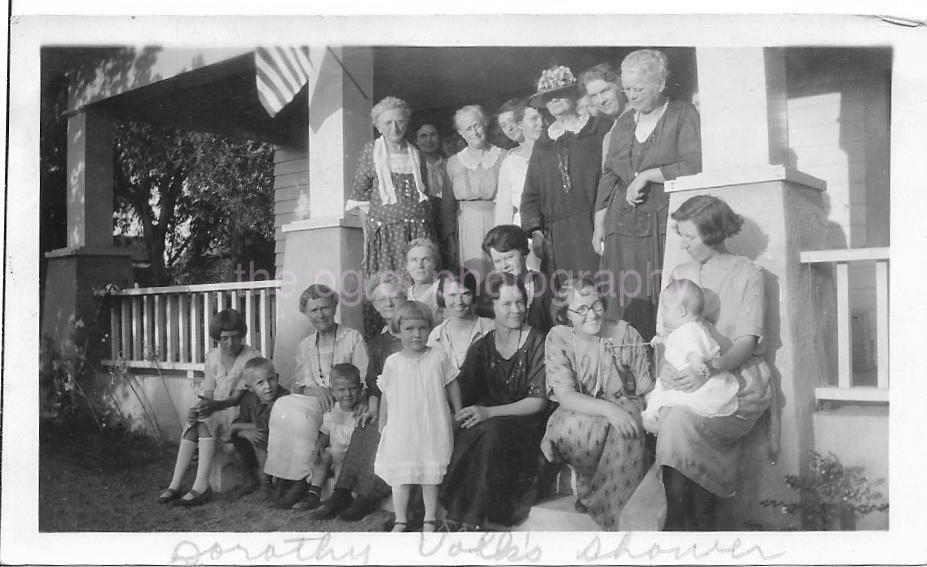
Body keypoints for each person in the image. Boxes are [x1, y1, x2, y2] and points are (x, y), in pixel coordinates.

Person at [656, 195, 773, 531]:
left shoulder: (747, 273)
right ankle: (689, 525)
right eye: (680, 235)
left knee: (678, 422)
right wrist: (667, 366)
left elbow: (747, 343)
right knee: (675, 418)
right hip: (687, 380)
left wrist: (710, 367)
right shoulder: (681, 272)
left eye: (689, 237)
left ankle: (680, 526)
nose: (682, 244)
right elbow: (670, 334)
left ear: (713, 233)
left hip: (737, 380)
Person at [594, 49, 702, 341]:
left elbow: (693, 165)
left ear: (660, 84)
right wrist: (598, 225)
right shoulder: (624, 123)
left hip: (660, 221)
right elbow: (609, 175)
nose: (631, 96)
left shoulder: (682, 114)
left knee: (658, 293)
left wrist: (648, 175)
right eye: (627, 89)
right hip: (620, 226)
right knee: (622, 297)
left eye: (638, 89)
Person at [539, 276, 654, 530]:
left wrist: (624, 410)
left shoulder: (626, 333)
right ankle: (595, 495)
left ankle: (613, 518)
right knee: (570, 425)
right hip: (581, 418)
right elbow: (566, 395)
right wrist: (609, 409)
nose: (591, 314)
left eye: (596, 305)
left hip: (622, 417)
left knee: (631, 415)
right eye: (581, 309)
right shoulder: (558, 338)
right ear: (565, 314)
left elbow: (647, 390)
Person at [439, 272, 548, 531]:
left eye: (520, 302)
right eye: (507, 304)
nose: (516, 310)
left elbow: (537, 403)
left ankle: (472, 517)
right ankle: (455, 514)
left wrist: (488, 412)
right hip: (488, 422)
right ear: (492, 306)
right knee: (468, 429)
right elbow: (462, 389)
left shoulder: (537, 342)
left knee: (491, 430)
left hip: (527, 425)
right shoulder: (483, 345)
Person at [308, 272, 406, 522]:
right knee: (364, 424)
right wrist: (373, 404)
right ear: (374, 305)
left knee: (383, 430)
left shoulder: (413, 330)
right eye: (381, 300)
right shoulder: (381, 341)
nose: (389, 304)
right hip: (385, 402)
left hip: (409, 403)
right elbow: (374, 380)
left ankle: (366, 497)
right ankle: (341, 493)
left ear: (404, 297)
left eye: (394, 297)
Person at [263, 284, 369, 509]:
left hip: (343, 400)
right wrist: (318, 391)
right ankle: (283, 477)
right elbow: (299, 384)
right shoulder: (306, 345)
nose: (320, 314)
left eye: (325, 308)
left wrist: (343, 394)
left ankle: (302, 480)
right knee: (282, 405)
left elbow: (364, 376)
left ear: (334, 308)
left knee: (301, 416)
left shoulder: (352, 338)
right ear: (307, 313)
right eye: (314, 310)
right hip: (317, 397)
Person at [157, 308, 261, 506]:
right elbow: (208, 393)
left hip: (241, 411)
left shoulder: (250, 356)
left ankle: (200, 487)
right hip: (218, 408)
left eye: (235, 337)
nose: (230, 343)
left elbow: (238, 398)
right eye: (225, 339)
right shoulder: (213, 357)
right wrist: (198, 408)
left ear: (242, 335)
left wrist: (212, 407)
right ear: (217, 339)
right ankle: (175, 485)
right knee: (196, 419)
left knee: (207, 419)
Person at [375, 301, 462, 532]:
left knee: (429, 475)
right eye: (409, 329)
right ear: (397, 331)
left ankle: (429, 519)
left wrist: (459, 410)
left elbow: (452, 383)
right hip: (403, 427)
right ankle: (401, 519)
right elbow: (386, 393)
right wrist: (383, 422)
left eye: (422, 328)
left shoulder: (438, 356)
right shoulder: (393, 362)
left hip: (432, 425)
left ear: (430, 329)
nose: (416, 334)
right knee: (401, 476)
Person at [521, 65, 613, 278]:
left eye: (560, 93)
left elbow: (613, 179)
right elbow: (531, 193)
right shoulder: (543, 143)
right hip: (559, 236)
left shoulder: (601, 129)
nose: (554, 99)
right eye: (548, 96)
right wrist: (535, 231)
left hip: (595, 225)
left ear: (574, 94)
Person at [345, 96, 435, 275]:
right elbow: (362, 199)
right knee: (390, 285)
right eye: (388, 123)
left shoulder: (417, 154)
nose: (395, 128)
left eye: (400, 121)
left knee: (420, 282)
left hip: (419, 232)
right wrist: (366, 239)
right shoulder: (371, 152)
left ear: (406, 123)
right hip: (386, 235)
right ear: (378, 126)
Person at [641, 279, 738, 434]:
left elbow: (694, 351)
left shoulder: (689, 331)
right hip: (681, 379)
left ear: (681, 311)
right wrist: (660, 340)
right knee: (660, 405)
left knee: (663, 410)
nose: (663, 313)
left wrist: (697, 364)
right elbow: (677, 346)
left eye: (665, 309)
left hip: (692, 383)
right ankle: (659, 423)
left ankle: (659, 425)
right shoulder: (688, 329)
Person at [441, 105, 504, 275]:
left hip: (499, 218)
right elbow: (447, 204)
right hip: (468, 224)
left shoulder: (503, 156)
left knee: (500, 269)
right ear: (461, 133)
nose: (474, 132)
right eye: (468, 128)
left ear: (484, 125)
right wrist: (450, 237)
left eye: (477, 125)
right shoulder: (453, 162)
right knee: (475, 272)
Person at [299, 363, 365, 511]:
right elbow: (326, 433)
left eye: (352, 388)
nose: (347, 394)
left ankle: (339, 495)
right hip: (335, 454)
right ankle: (313, 494)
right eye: (341, 390)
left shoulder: (361, 412)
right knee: (324, 456)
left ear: (360, 389)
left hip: (352, 458)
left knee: (340, 457)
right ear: (333, 392)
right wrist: (318, 446)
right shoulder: (331, 411)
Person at [229, 357, 289, 498]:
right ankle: (250, 480)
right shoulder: (249, 400)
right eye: (260, 383)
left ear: (277, 377)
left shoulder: (284, 399)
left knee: (261, 437)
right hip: (261, 443)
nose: (267, 386)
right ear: (250, 387)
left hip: (281, 446)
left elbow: (270, 426)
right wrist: (245, 432)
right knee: (233, 444)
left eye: (271, 379)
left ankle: (268, 484)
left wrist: (247, 429)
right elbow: (234, 425)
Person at [482, 225, 556, 333]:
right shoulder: (491, 291)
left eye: (509, 257)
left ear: (524, 253)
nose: (504, 266)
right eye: (497, 261)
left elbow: (557, 326)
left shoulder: (543, 284)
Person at [427, 269, 495, 370]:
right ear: (442, 297)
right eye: (452, 295)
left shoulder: (491, 328)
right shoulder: (436, 336)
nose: (459, 302)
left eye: (466, 294)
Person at [494, 99, 544, 227]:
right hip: (525, 226)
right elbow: (503, 209)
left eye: (512, 121)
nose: (510, 128)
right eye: (504, 125)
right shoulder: (509, 162)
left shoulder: (549, 151)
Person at [580, 62, 626, 165]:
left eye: (605, 91)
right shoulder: (608, 134)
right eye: (594, 96)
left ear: (619, 85)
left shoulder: (643, 118)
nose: (601, 100)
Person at [414, 121, 446, 239]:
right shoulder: (414, 168)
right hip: (424, 220)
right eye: (423, 136)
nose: (429, 140)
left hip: (447, 219)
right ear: (416, 141)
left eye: (433, 135)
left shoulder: (450, 165)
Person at [405, 238, 443, 323]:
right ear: (407, 266)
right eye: (414, 260)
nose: (420, 265)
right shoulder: (404, 295)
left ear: (434, 264)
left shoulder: (444, 290)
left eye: (425, 259)